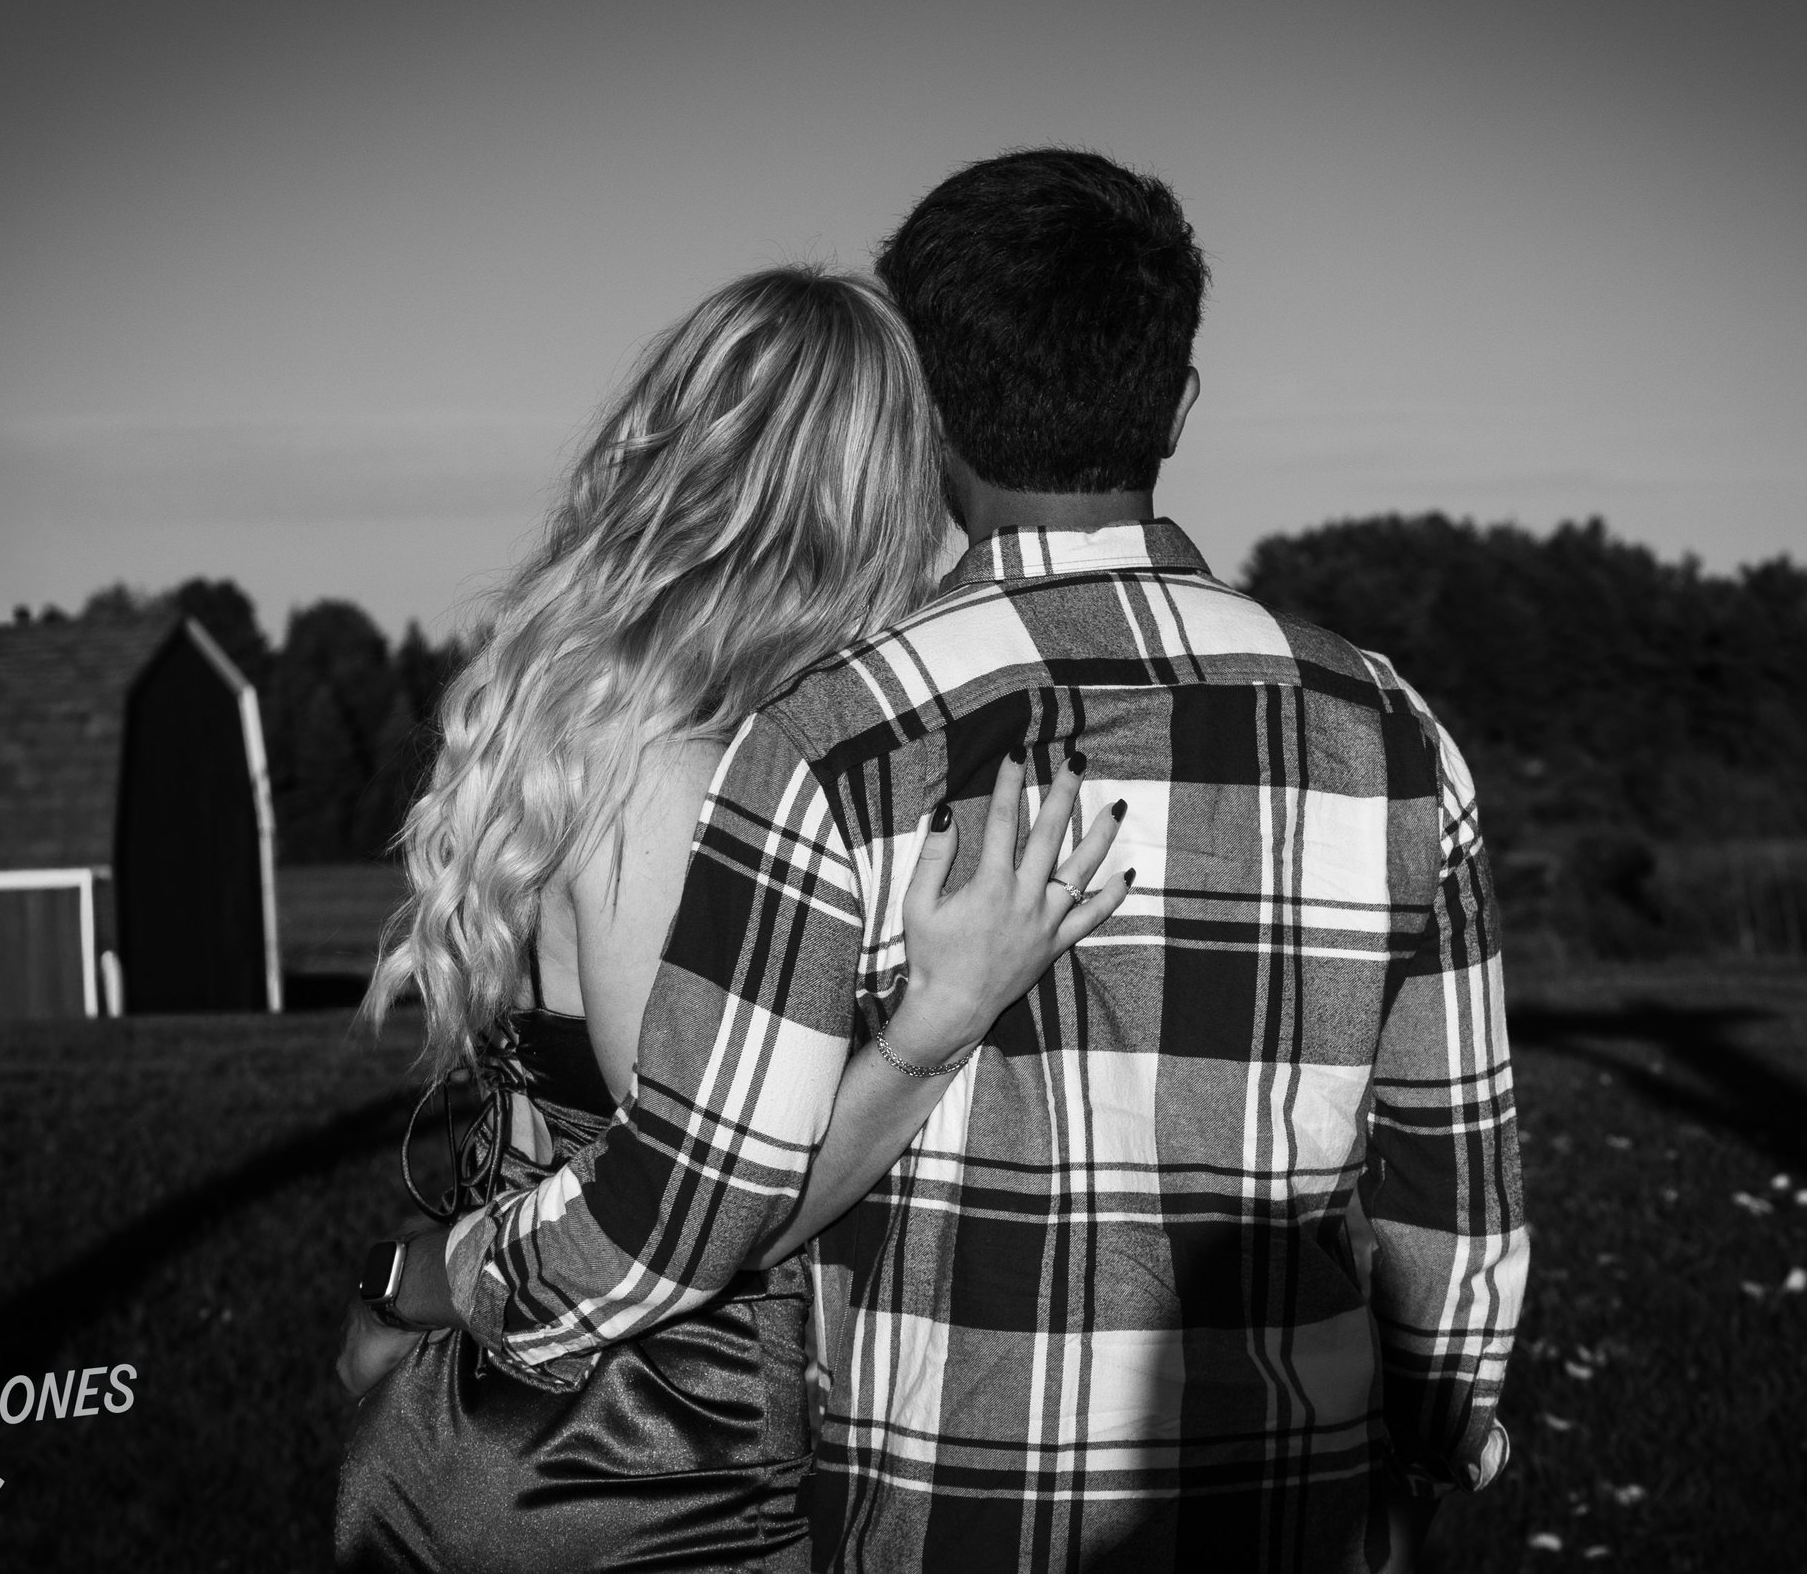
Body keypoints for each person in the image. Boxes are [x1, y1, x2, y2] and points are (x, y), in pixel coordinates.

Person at [446, 151, 1532, 1572]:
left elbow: (698, 1188)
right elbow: (1450, 1186)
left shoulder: (839, 735)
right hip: (1294, 1503)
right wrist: (1443, 1437)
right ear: (1181, 398)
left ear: (928, 414)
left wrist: (477, 1276)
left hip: (943, 1517)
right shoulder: (1388, 734)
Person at [331, 266, 1135, 1572]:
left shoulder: (640, 724)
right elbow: (697, 1199)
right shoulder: (673, 760)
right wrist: (938, 1021)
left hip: (538, 1417)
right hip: (636, 1449)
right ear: (867, 498)